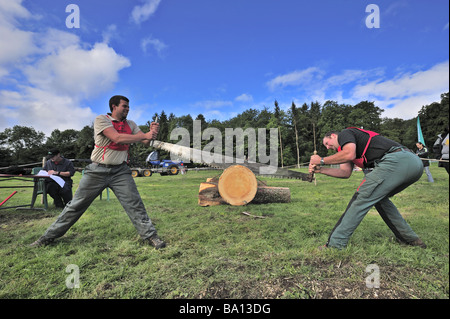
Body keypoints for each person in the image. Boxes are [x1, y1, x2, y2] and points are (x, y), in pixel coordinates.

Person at [31, 95, 166, 249]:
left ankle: (151, 236)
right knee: (75, 205)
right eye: (124, 106)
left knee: (135, 204)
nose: (128, 109)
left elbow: (146, 141)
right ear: (114, 107)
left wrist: (153, 132)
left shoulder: (131, 124)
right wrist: (145, 135)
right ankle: (48, 237)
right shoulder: (102, 120)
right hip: (97, 171)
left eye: (128, 106)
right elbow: (117, 138)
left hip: (120, 171)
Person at [309, 127, 426, 250]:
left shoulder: (345, 134)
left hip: (397, 160)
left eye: (327, 143)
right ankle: (409, 239)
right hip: (414, 164)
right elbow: (345, 172)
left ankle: (335, 245)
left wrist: (321, 160)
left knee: (361, 197)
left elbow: (349, 153)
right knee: (379, 199)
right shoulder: (346, 148)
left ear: (333, 136)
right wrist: (320, 170)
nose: (327, 148)